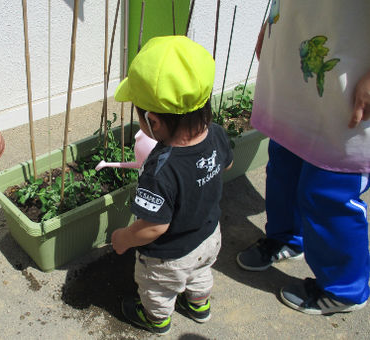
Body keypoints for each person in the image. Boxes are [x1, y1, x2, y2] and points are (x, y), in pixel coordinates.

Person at [236, 0, 370, 315]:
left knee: (330, 186)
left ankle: (345, 288)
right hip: (293, 42)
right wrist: (271, 26)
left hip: (350, 64)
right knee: (284, 159)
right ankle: (286, 237)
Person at [110, 35, 233, 335]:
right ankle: (198, 304)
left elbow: (154, 226)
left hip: (169, 257)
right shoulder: (215, 133)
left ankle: (157, 319)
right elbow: (226, 164)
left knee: (157, 289)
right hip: (208, 236)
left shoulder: (159, 168)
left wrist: (124, 237)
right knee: (200, 273)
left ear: (155, 121)